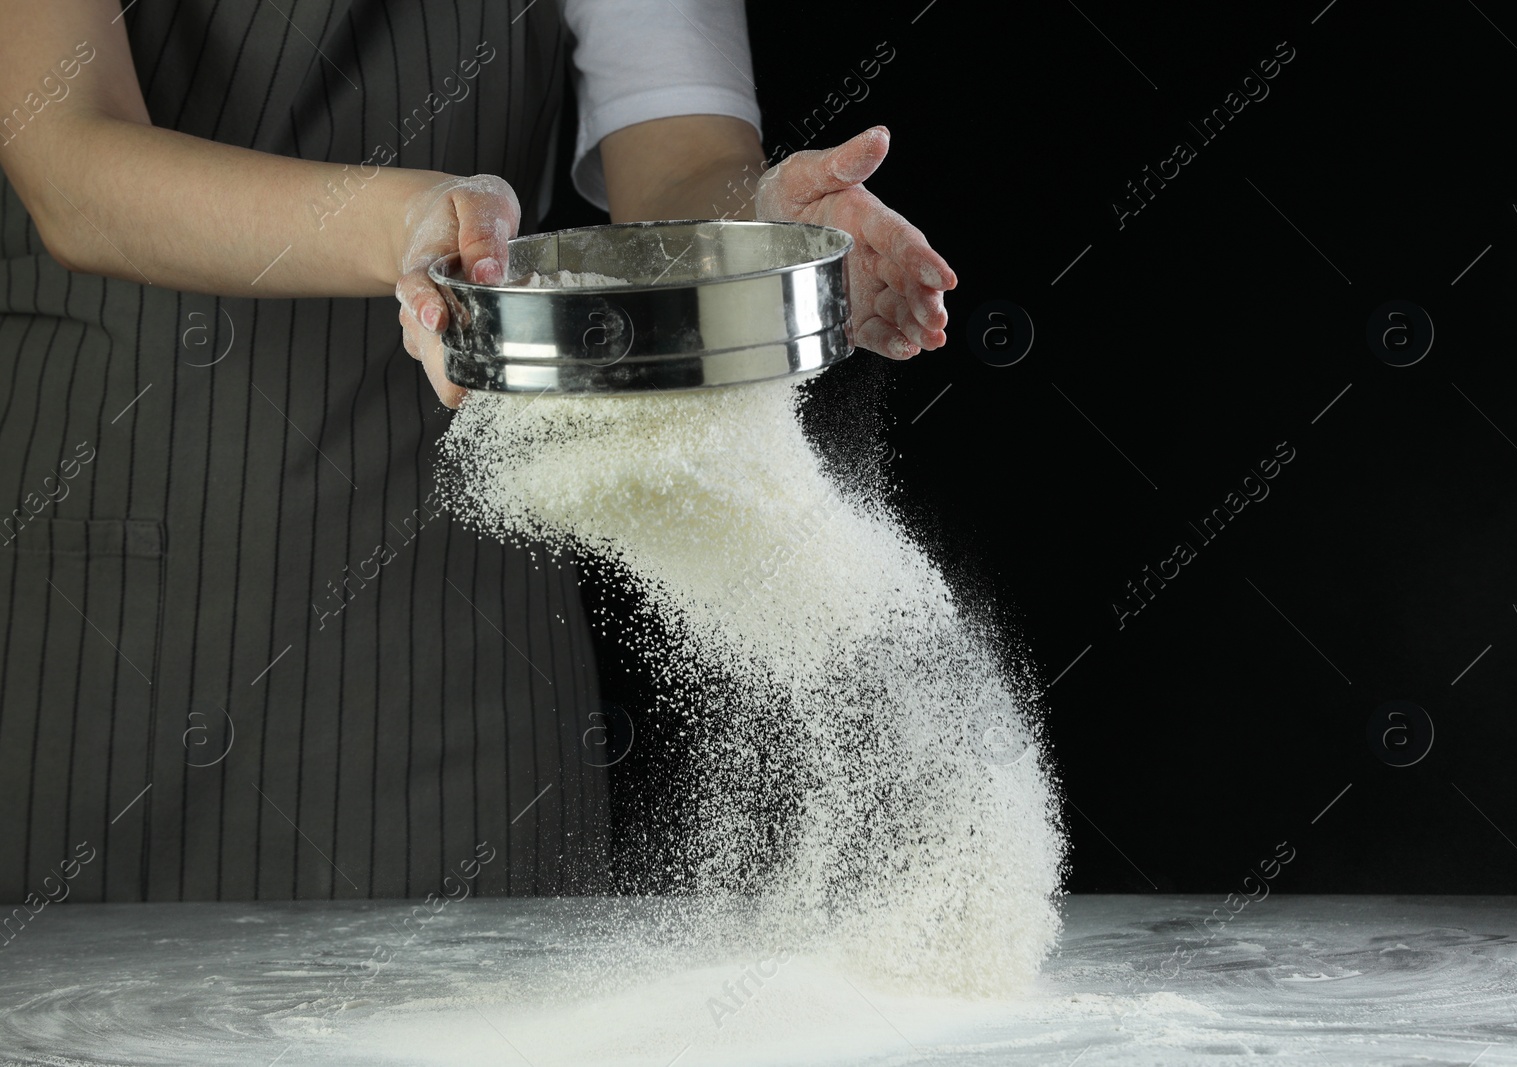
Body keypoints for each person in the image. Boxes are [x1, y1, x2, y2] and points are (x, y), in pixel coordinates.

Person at [0, 0, 955, 906]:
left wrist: (753, 230)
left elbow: (678, 170)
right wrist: (407, 223)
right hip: (107, 611)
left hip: (451, 636)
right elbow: (67, 164)